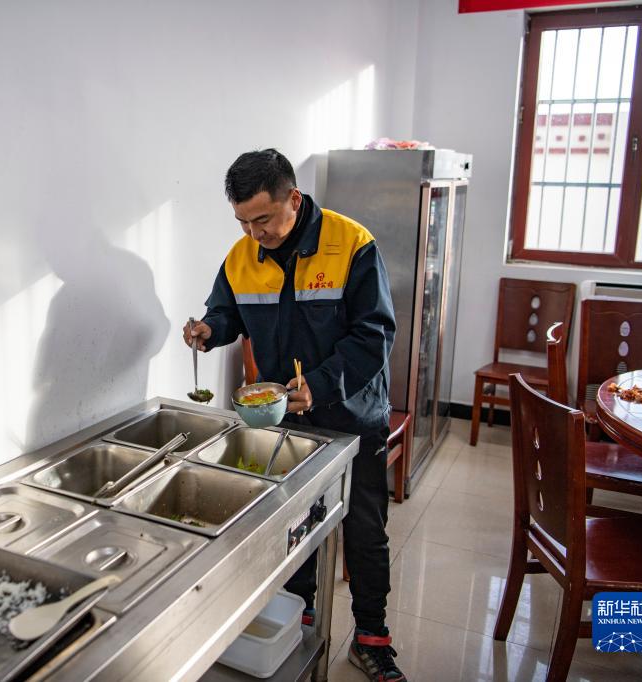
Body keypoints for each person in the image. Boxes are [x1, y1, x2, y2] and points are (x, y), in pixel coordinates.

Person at [183, 149, 404, 681]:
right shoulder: (243, 255)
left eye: (262, 218)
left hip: (352, 413)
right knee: (294, 524)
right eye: (243, 222)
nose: (254, 233)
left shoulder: (351, 244)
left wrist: (321, 386)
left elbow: (374, 336)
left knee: (364, 528)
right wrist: (210, 329)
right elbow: (228, 311)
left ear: (294, 200)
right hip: (283, 418)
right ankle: (299, 616)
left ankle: (372, 638)